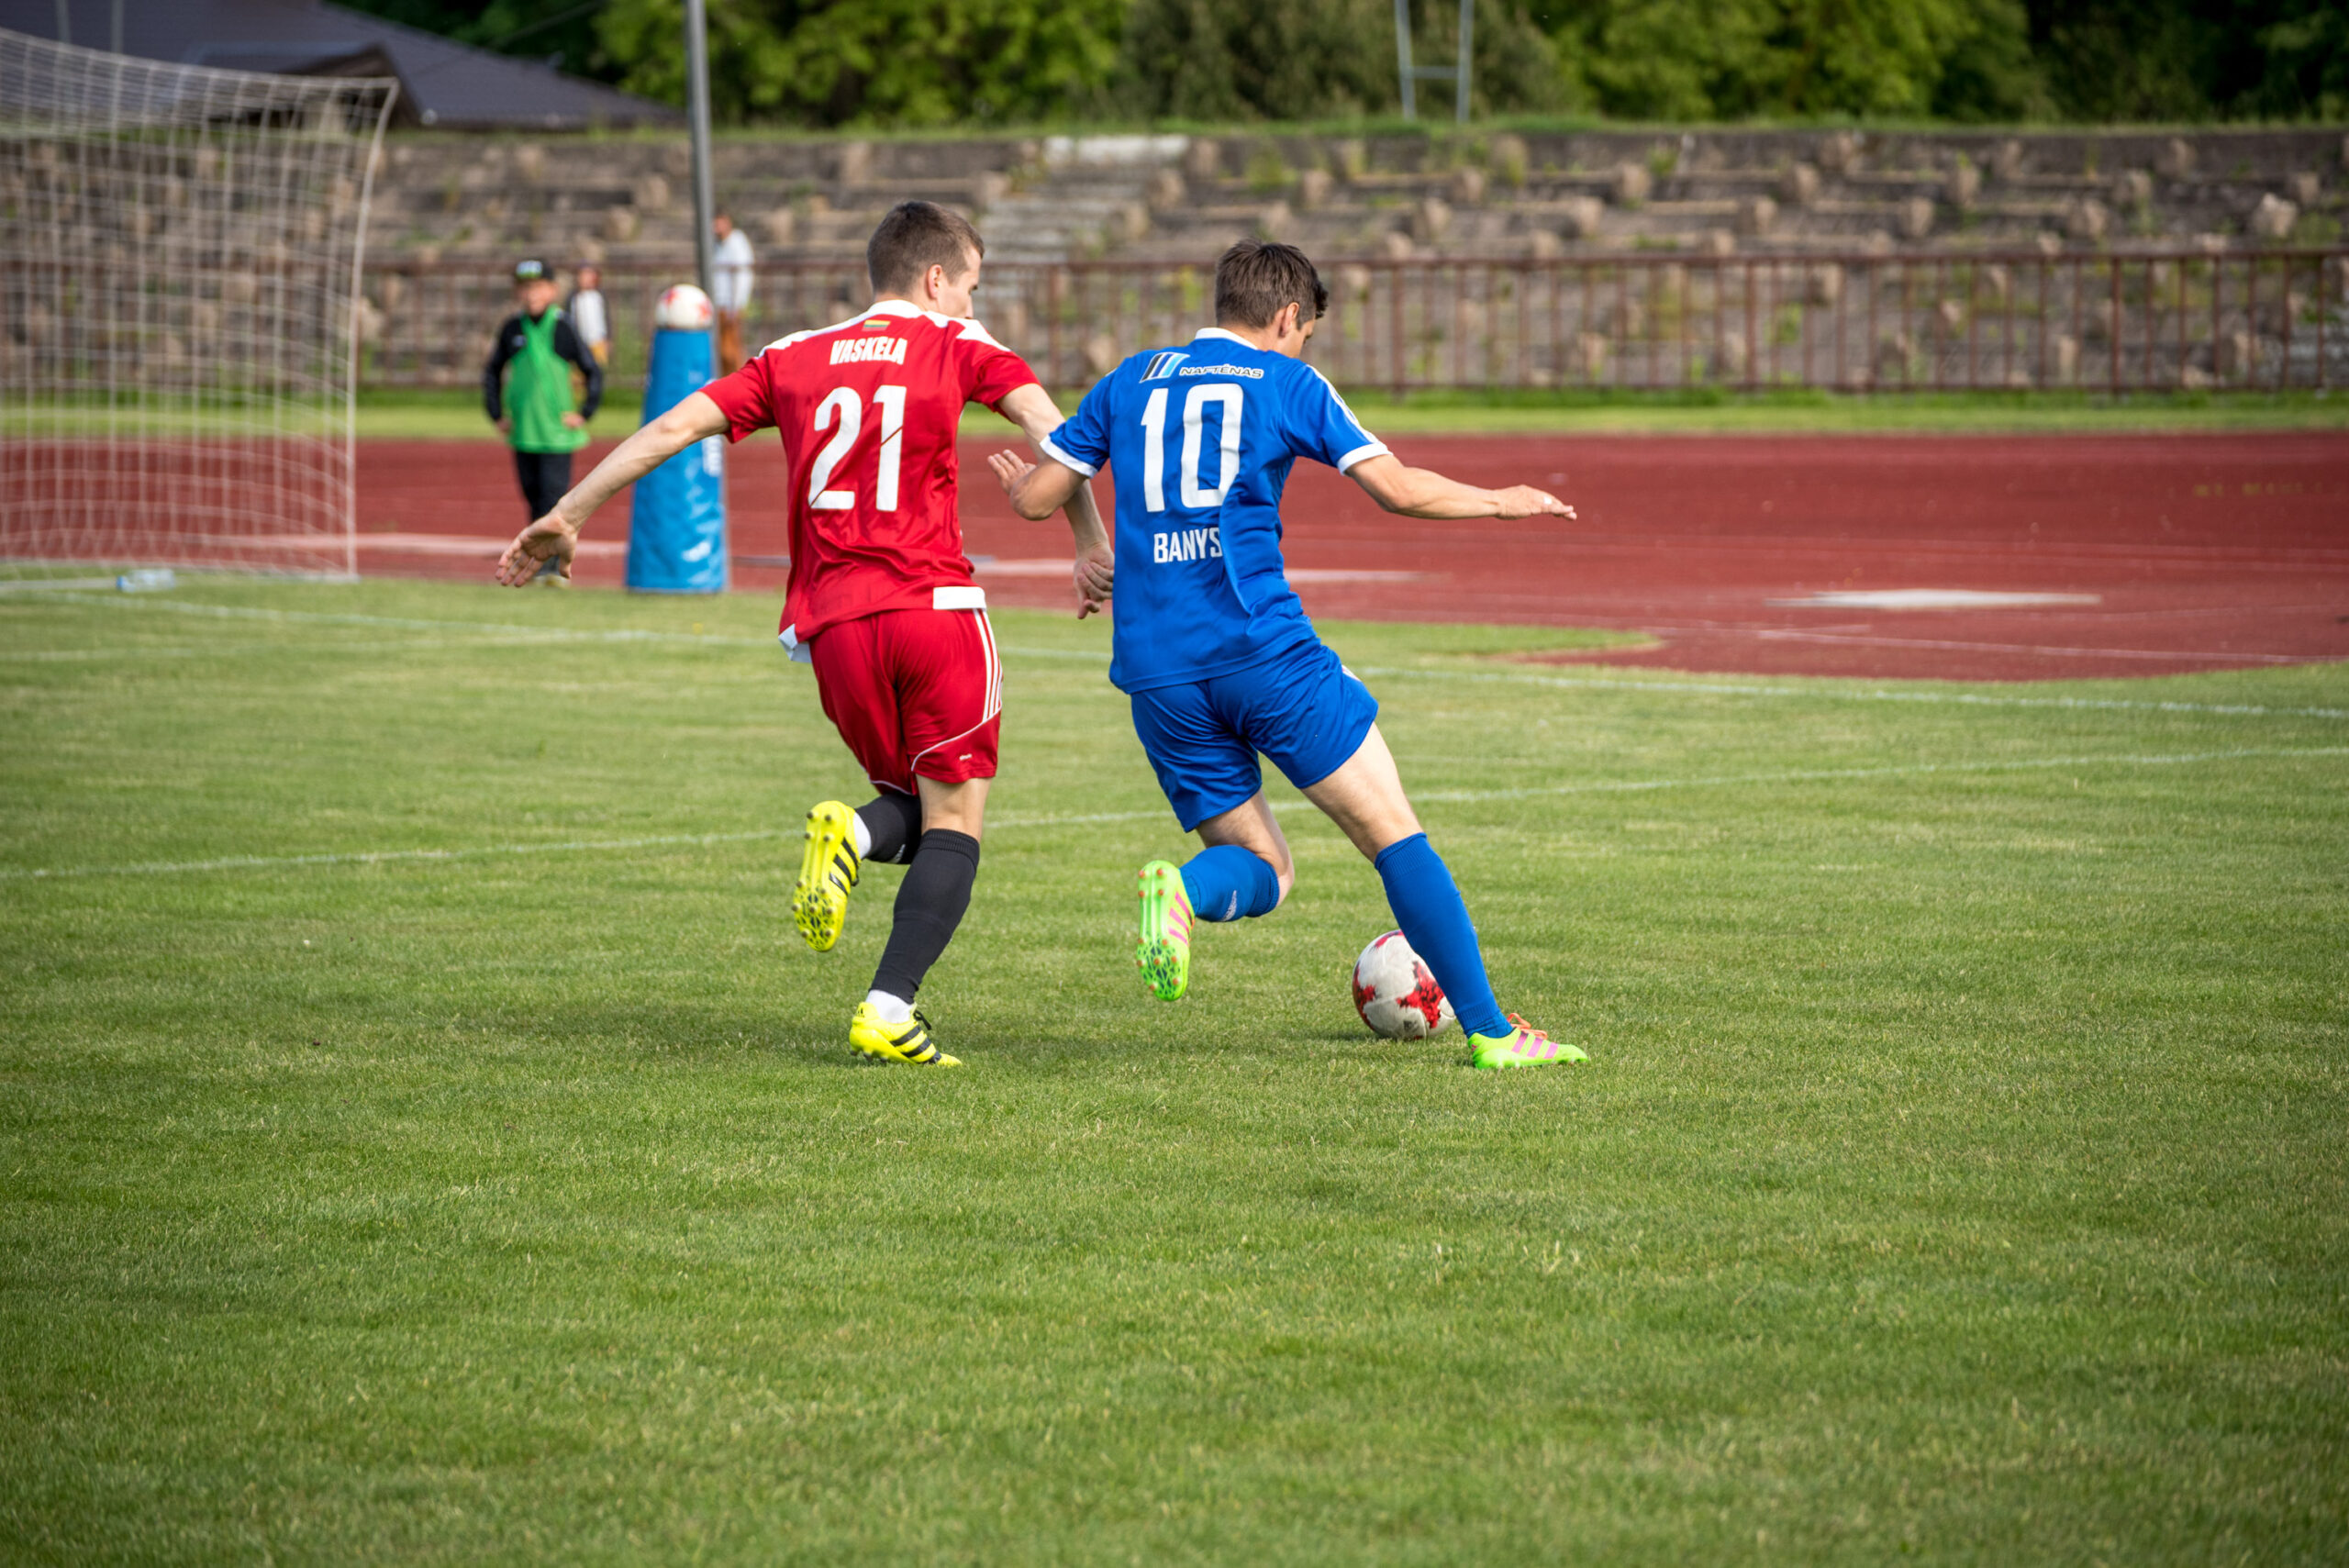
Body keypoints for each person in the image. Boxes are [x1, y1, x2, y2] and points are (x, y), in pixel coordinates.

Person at [493, 202, 1110, 1069]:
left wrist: (567, 512)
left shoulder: (792, 354)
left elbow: (672, 427)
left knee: (914, 805)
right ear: (936, 279)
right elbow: (1061, 435)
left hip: (832, 631)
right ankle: (888, 1004)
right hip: (932, 611)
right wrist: (1089, 544)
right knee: (957, 820)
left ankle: (854, 840)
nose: (973, 304)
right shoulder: (958, 343)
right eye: (970, 286)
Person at [989, 239, 1588, 1071]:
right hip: (1263, 654)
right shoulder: (1286, 381)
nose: (1303, 346)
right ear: (1286, 317)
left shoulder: (1130, 379)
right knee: (1394, 836)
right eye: (1305, 333)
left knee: (1263, 863)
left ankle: (1183, 891)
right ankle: (1492, 1032)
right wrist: (1500, 500)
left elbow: (1035, 499)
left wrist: (1057, 514)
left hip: (1157, 675)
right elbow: (1396, 488)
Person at [483, 258, 603, 583]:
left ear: (552, 290)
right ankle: (539, 559)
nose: (531, 293)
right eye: (524, 287)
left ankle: (550, 566)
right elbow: (492, 371)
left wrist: (585, 411)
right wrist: (497, 413)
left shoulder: (563, 327)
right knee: (533, 496)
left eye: (537, 287)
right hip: (524, 431)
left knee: (553, 499)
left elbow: (592, 370)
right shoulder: (512, 328)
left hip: (556, 435)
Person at [711, 210, 754, 371]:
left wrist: (737, 305)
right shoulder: (715, 245)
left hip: (730, 306)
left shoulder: (737, 243)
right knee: (721, 351)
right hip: (718, 304)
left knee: (732, 350)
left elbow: (743, 277)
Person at [567, 263, 611, 368]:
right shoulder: (573, 297)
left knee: (598, 367)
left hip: (597, 341)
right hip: (579, 341)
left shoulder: (599, 295)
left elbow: (607, 318)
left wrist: (608, 338)